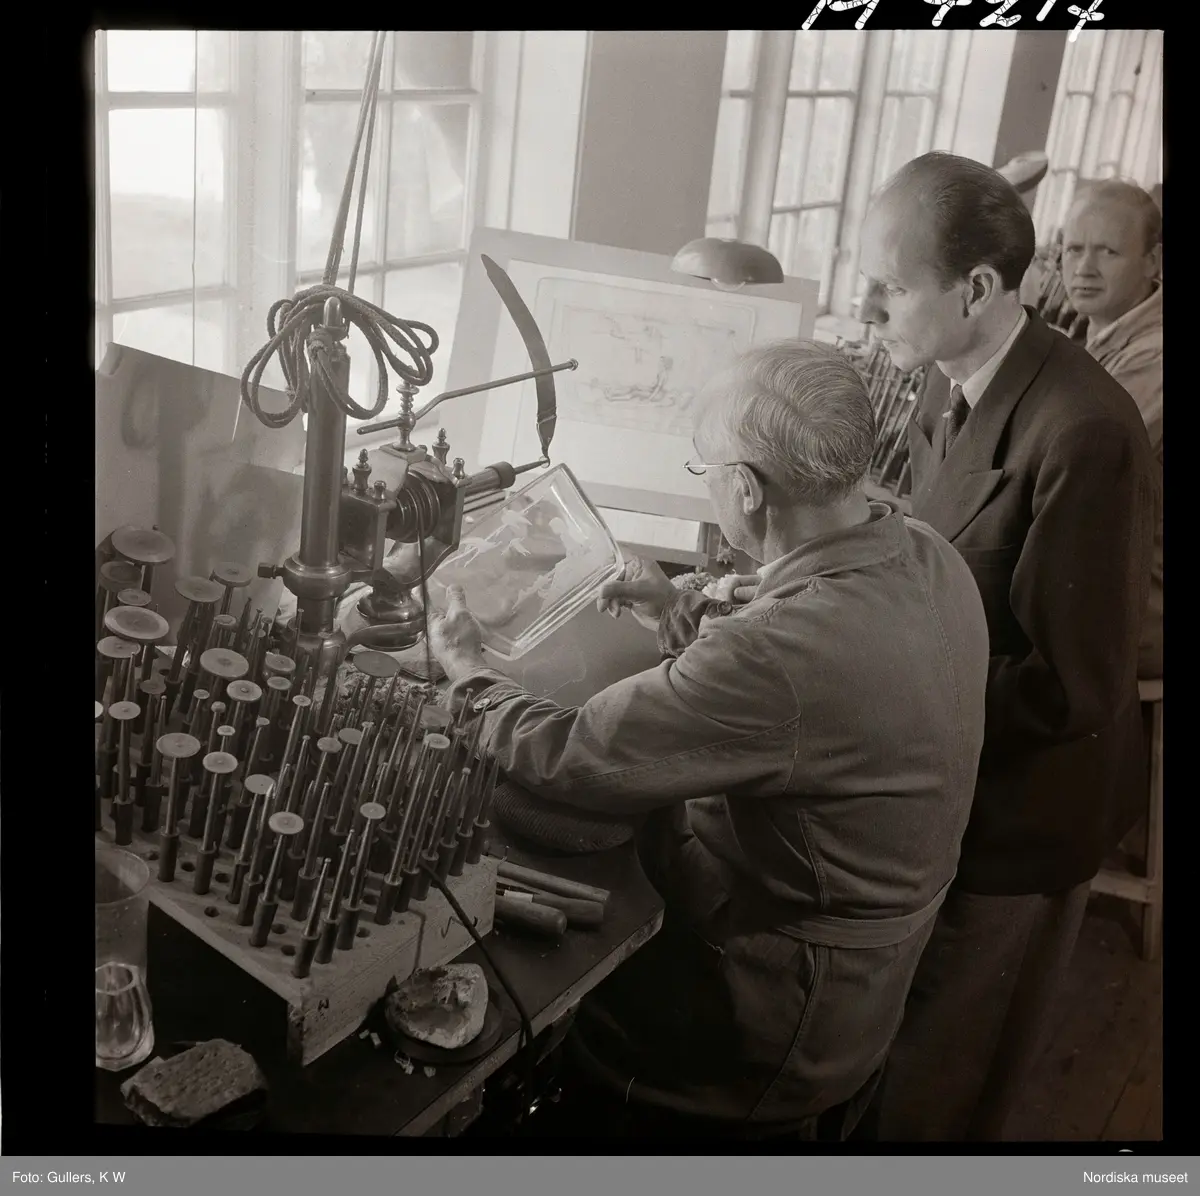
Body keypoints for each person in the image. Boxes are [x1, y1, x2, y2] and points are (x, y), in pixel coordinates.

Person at [426, 339, 991, 1140]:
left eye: (705, 469)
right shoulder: (927, 552)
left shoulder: (778, 653)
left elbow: (578, 757)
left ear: (747, 489)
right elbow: (812, 666)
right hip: (866, 987)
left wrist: (465, 672)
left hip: (764, 1020)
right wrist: (677, 609)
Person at [855, 152, 1158, 1141]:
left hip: (1023, 813)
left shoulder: (1084, 432)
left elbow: (1074, 687)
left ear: (977, 289)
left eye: (890, 287)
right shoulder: (953, 375)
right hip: (952, 780)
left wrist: (887, 676)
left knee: (942, 1087)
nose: (866, 308)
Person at [1061, 179, 1163, 680]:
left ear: (1153, 261)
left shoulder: (1155, 357)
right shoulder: (1099, 333)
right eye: (1074, 249)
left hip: (1139, 612)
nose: (1084, 268)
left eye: (1108, 251)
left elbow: (1069, 462)